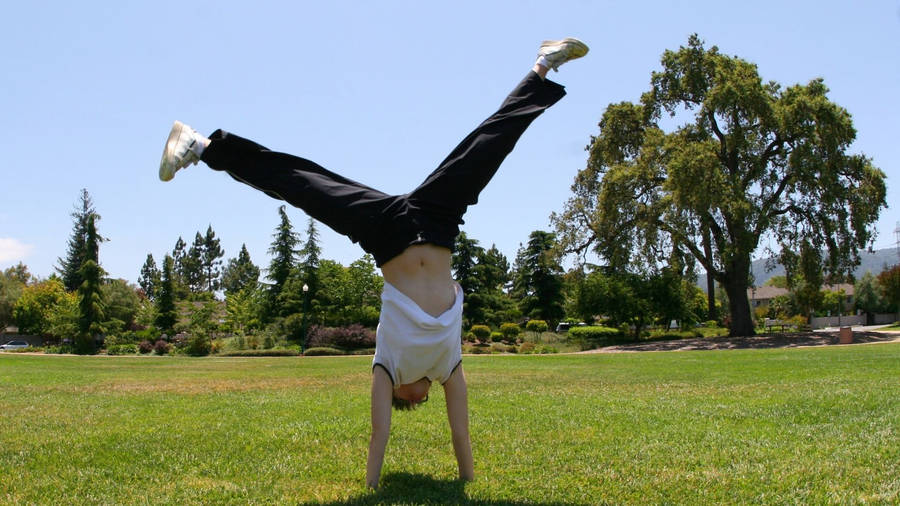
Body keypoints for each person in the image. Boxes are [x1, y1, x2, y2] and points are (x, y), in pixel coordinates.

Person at [158, 38, 588, 488]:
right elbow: (460, 430)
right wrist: (466, 481)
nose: (420, 402)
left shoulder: (387, 367)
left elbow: (378, 432)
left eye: (411, 403)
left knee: (303, 184)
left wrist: (371, 487)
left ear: (401, 393)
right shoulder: (448, 368)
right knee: (488, 145)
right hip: (437, 221)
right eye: (422, 403)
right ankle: (544, 65)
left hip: (385, 232)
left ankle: (200, 146)